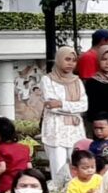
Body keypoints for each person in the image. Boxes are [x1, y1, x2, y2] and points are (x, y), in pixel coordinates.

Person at [35, 54, 88, 183]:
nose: (71, 63)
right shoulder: (47, 80)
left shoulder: (77, 81)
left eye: (74, 60)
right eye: (67, 59)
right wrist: (72, 107)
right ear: (59, 60)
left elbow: (84, 105)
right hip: (56, 130)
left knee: (78, 165)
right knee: (58, 170)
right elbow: (51, 106)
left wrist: (62, 104)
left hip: (75, 130)